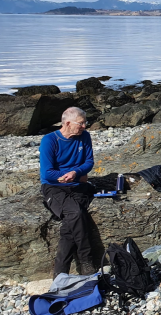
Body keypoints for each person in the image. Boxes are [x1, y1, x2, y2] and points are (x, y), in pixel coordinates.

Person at [39, 107, 97, 277]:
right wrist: (64, 176)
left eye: (85, 122)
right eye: (81, 123)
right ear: (68, 123)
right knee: (76, 214)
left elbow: (89, 162)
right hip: (54, 187)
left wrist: (75, 173)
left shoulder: (84, 136)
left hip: (78, 184)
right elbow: (47, 173)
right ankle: (86, 260)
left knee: (70, 223)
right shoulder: (49, 140)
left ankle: (60, 273)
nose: (85, 126)